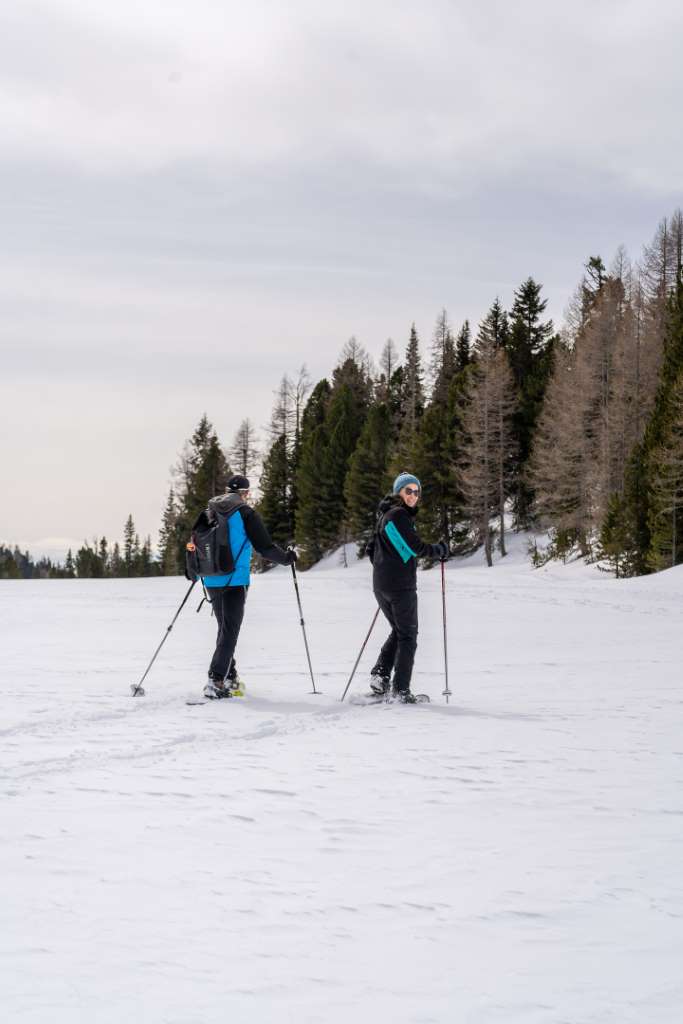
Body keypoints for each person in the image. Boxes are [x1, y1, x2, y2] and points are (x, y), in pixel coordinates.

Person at [201, 474, 296, 699]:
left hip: (211, 578)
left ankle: (230, 676)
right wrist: (287, 558)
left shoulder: (211, 509)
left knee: (225, 628)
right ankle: (215, 680)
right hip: (234, 580)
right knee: (230, 630)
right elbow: (265, 547)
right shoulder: (245, 513)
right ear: (245, 493)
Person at [367, 472, 448, 703]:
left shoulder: (384, 516)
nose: (413, 495)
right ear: (398, 492)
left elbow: (370, 550)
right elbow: (416, 548)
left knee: (399, 631)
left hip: (381, 585)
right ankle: (401, 690)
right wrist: (440, 550)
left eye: (416, 491)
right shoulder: (399, 515)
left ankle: (380, 676)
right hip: (400, 586)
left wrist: (385, 568)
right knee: (408, 636)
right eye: (408, 490)